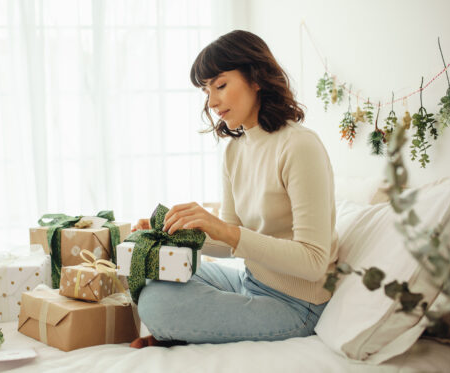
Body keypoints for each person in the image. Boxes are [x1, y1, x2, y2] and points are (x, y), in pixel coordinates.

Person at [129, 30, 338, 348]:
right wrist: (175, 231)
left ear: (256, 79)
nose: (212, 102)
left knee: (159, 306)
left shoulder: (299, 146)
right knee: (154, 272)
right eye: (206, 90)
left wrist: (224, 230)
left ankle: (184, 327)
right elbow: (229, 243)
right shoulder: (234, 150)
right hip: (249, 280)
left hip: (298, 304)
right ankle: (189, 326)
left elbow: (314, 262)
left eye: (221, 85)